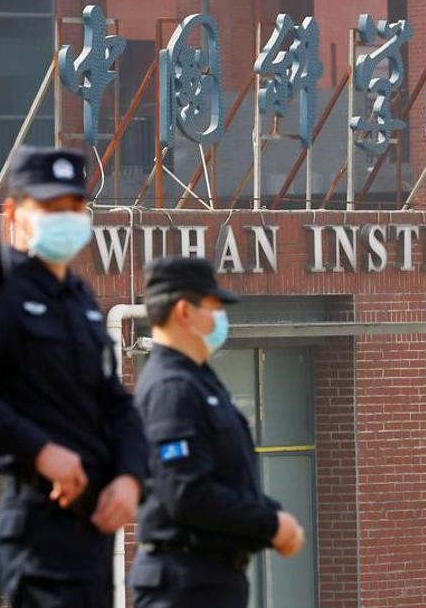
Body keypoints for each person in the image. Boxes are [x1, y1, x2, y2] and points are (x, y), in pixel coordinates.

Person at [0, 146, 148, 608]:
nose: (67, 217)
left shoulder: (79, 297)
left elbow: (116, 401)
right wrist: (39, 450)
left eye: (75, 206)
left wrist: (131, 476)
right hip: (37, 525)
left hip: (92, 531)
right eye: (51, 207)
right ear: (13, 211)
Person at [128, 256, 305, 608]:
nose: (221, 318)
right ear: (183, 311)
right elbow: (186, 493)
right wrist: (269, 524)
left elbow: (229, 477)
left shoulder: (199, 381)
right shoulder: (171, 388)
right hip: (185, 583)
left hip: (210, 581)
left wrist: (272, 516)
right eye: (213, 307)